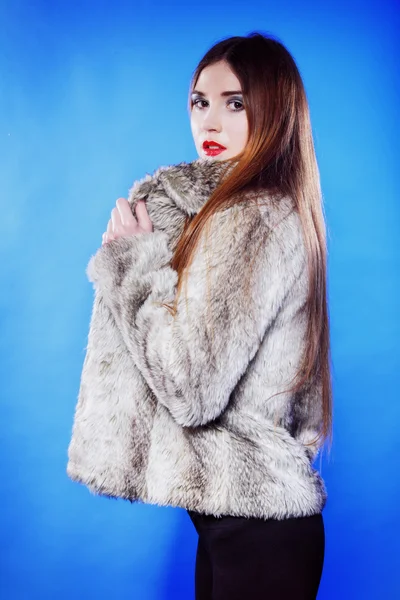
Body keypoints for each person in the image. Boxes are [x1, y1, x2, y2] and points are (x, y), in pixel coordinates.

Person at [67, 31, 332, 600]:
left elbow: (190, 388)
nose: (210, 122)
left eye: (235, 103)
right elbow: (299, 405)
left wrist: (133, 265)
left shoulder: (255, 219)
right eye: (199, 101)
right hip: (239, 522)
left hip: (257, 530)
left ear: (275, 109)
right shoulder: (246, 212)